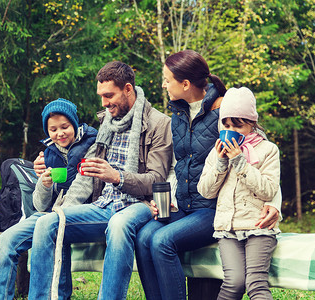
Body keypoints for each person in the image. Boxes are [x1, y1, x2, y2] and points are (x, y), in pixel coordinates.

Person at [135, 50, 281, 300]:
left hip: (211, 208)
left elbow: (259, 148)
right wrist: (167, 197)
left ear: (185, 84)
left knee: (161, 241)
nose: (163, 84)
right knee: (144, 237)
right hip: (184, 204)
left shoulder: (224, 112)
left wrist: (273, 204)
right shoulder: (178, 115)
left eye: (166, 79)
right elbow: (177, 164)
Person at [27, 61, 172, 300]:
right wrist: (63, 211)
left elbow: (156, 179)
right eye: (101, 96)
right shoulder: (107, 122)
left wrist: (117, 177)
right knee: (48, 224)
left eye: (109, 95)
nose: (104, 103)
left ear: (128, 89)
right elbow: (86, 175)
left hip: (140, 205)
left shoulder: (159, 124)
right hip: (103, 205)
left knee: (118, 224)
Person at [0, 98, 97, 300]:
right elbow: (39, 205)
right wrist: (44, 184)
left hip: (83, 213)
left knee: (50, 228)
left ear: (74, 123)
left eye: (65, 127)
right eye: (53, 129)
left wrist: (57, 215)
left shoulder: (91, 144)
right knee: (6, 240)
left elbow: (83, 186)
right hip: (49, 214)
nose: (60, 133)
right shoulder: (49, 153)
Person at [197, 87, 280, 299]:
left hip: (258, 227)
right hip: (228, 230)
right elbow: (205, 191)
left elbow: (268, 189)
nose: (231, 129)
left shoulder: (268, 150)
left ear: (252, 123)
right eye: (226, 125)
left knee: (255, 284)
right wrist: (221, 162)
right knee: (233, 283)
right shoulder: (215, 154)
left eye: (238, 125)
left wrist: (240, 162)